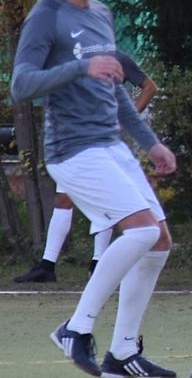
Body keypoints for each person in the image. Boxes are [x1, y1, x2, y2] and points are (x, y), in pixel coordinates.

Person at [11, 0, 178, 377]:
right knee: (141, 232)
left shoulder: (101, 14)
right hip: (73, 150)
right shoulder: (46, 16)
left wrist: (150, 143)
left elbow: (115, 90)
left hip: (111, 147)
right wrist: (80, 68)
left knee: (160, 241)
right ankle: (76, 328)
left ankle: (122, 353)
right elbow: (21, 84)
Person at [14, 51, 158, 283]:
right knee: (64, 198)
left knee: (103, 199)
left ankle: (98, 262)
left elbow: (149, 87)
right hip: (76, 140)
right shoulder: (71, 58)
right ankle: (47, 265)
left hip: (103, 142)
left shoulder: (117, 57)